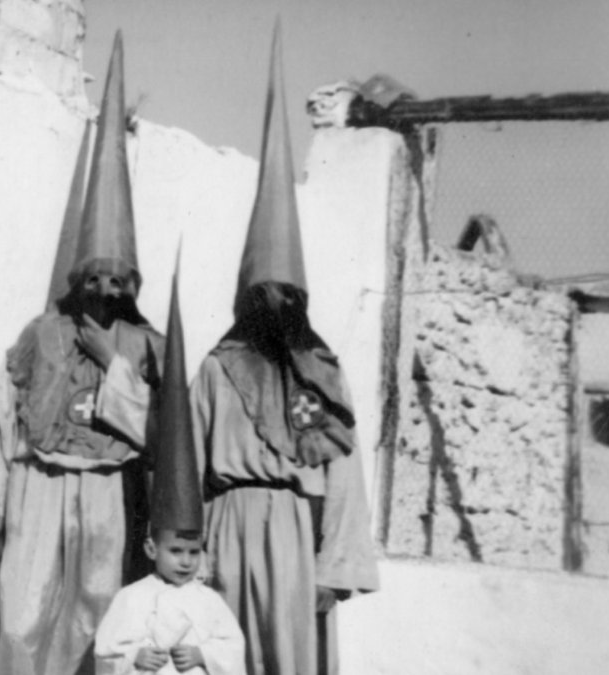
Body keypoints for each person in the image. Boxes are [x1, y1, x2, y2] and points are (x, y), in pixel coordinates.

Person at [0, 32, 165, 675]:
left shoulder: (145, 344)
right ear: (78, 277)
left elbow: (158, 434)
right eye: (95, 276)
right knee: (21, 619)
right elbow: (4, 420)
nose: (105, 290)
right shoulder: (39, 334)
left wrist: (114, 363)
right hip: (39, 483)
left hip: (108, 491)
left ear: (132, 284)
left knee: (95, 615)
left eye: (118, 279)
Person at [190, 26, 379, 675]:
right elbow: (186, 462)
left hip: (298, 537)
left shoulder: (321, 373)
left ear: (300, 298)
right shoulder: (217, 368)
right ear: (247, 296)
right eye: (262, 292)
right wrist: (189, 553)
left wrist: (334, 566)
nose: (274, 304)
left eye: (286, 293)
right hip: (225, 529)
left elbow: (346, 477)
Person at [95, 261, 246, 675]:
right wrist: (132, 658)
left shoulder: (210, 602)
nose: (184, 561)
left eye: (192, 552)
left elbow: (233, 650)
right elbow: (106, 653)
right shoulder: (131, 598)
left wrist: (203, 656)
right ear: (151, 550)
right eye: (176, 551)